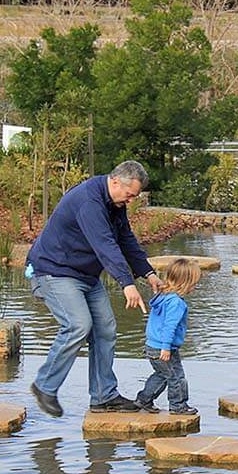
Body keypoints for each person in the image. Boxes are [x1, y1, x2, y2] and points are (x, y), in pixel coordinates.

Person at [26, 160, 162, 417]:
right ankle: (45, 386)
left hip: (85, 275)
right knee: (78, 325)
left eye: (134, 196)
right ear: (114, 182)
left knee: (105, 329)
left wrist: (148, 272)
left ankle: (103, 396)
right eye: (130, 194)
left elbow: (125, 240)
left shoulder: (115, 203)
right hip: (53, 271)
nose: (131, 200)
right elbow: (105, 245)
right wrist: (127, 284)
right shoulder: (89, 202)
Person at [136, 258, 201, 415]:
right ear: (185, 282)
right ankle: (178, 406)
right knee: (176, 377)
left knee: (162, 375)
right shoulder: (176, 303)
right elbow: (169, 327)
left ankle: (143, 400)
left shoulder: (163, 296)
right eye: (194, 283)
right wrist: (165, 347)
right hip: (163, 347)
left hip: (153, 345)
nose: (195, 286)